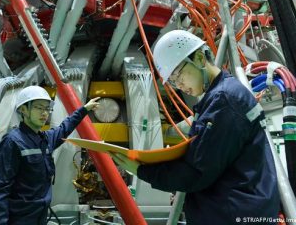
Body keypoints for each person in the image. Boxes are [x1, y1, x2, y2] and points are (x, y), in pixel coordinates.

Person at [110, 30, 280, 224]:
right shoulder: (221, 95)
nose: (179, 84)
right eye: (172, 82)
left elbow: (197, 173)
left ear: (199, 57)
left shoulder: (224, 101)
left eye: (177, 74)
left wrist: (141, 170)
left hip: (232, 213)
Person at [0, 85, 100, 225]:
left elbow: (64, 127)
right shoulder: (12, 142)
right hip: (19, 218)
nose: (45, 113)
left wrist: (84, 109)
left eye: (47, 108)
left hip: (40, 215)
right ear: (23, 110)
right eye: (39, 108)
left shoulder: (45, 140)